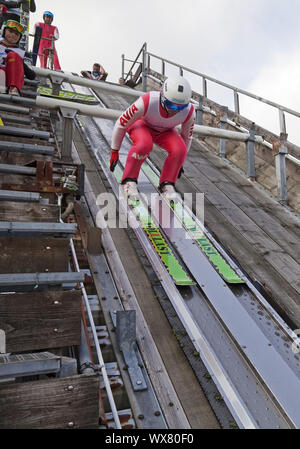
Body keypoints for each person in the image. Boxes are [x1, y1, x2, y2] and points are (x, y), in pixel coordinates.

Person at [110, 76, 196, 201]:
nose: (174, 111)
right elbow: (122, 123)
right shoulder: (148, 100)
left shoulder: (189, 111)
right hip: (142, 125)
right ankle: (129, 180)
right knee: (144, 144)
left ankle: (167, 183)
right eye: (170, 105)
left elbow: (187, 137)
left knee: (180, 150)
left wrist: (180, 162)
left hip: (166, 131)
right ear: (162, 97)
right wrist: (114, 150)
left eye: (180, 108)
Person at [0, 19, 35, 95]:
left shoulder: (23, 53)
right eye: (10, 31)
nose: (13, 35)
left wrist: (19, 60)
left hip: (9, 80)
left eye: (16, 34)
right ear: (4, 31)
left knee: (13, 56)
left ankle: (13, 89)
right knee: (1, 72)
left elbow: (31, 75)